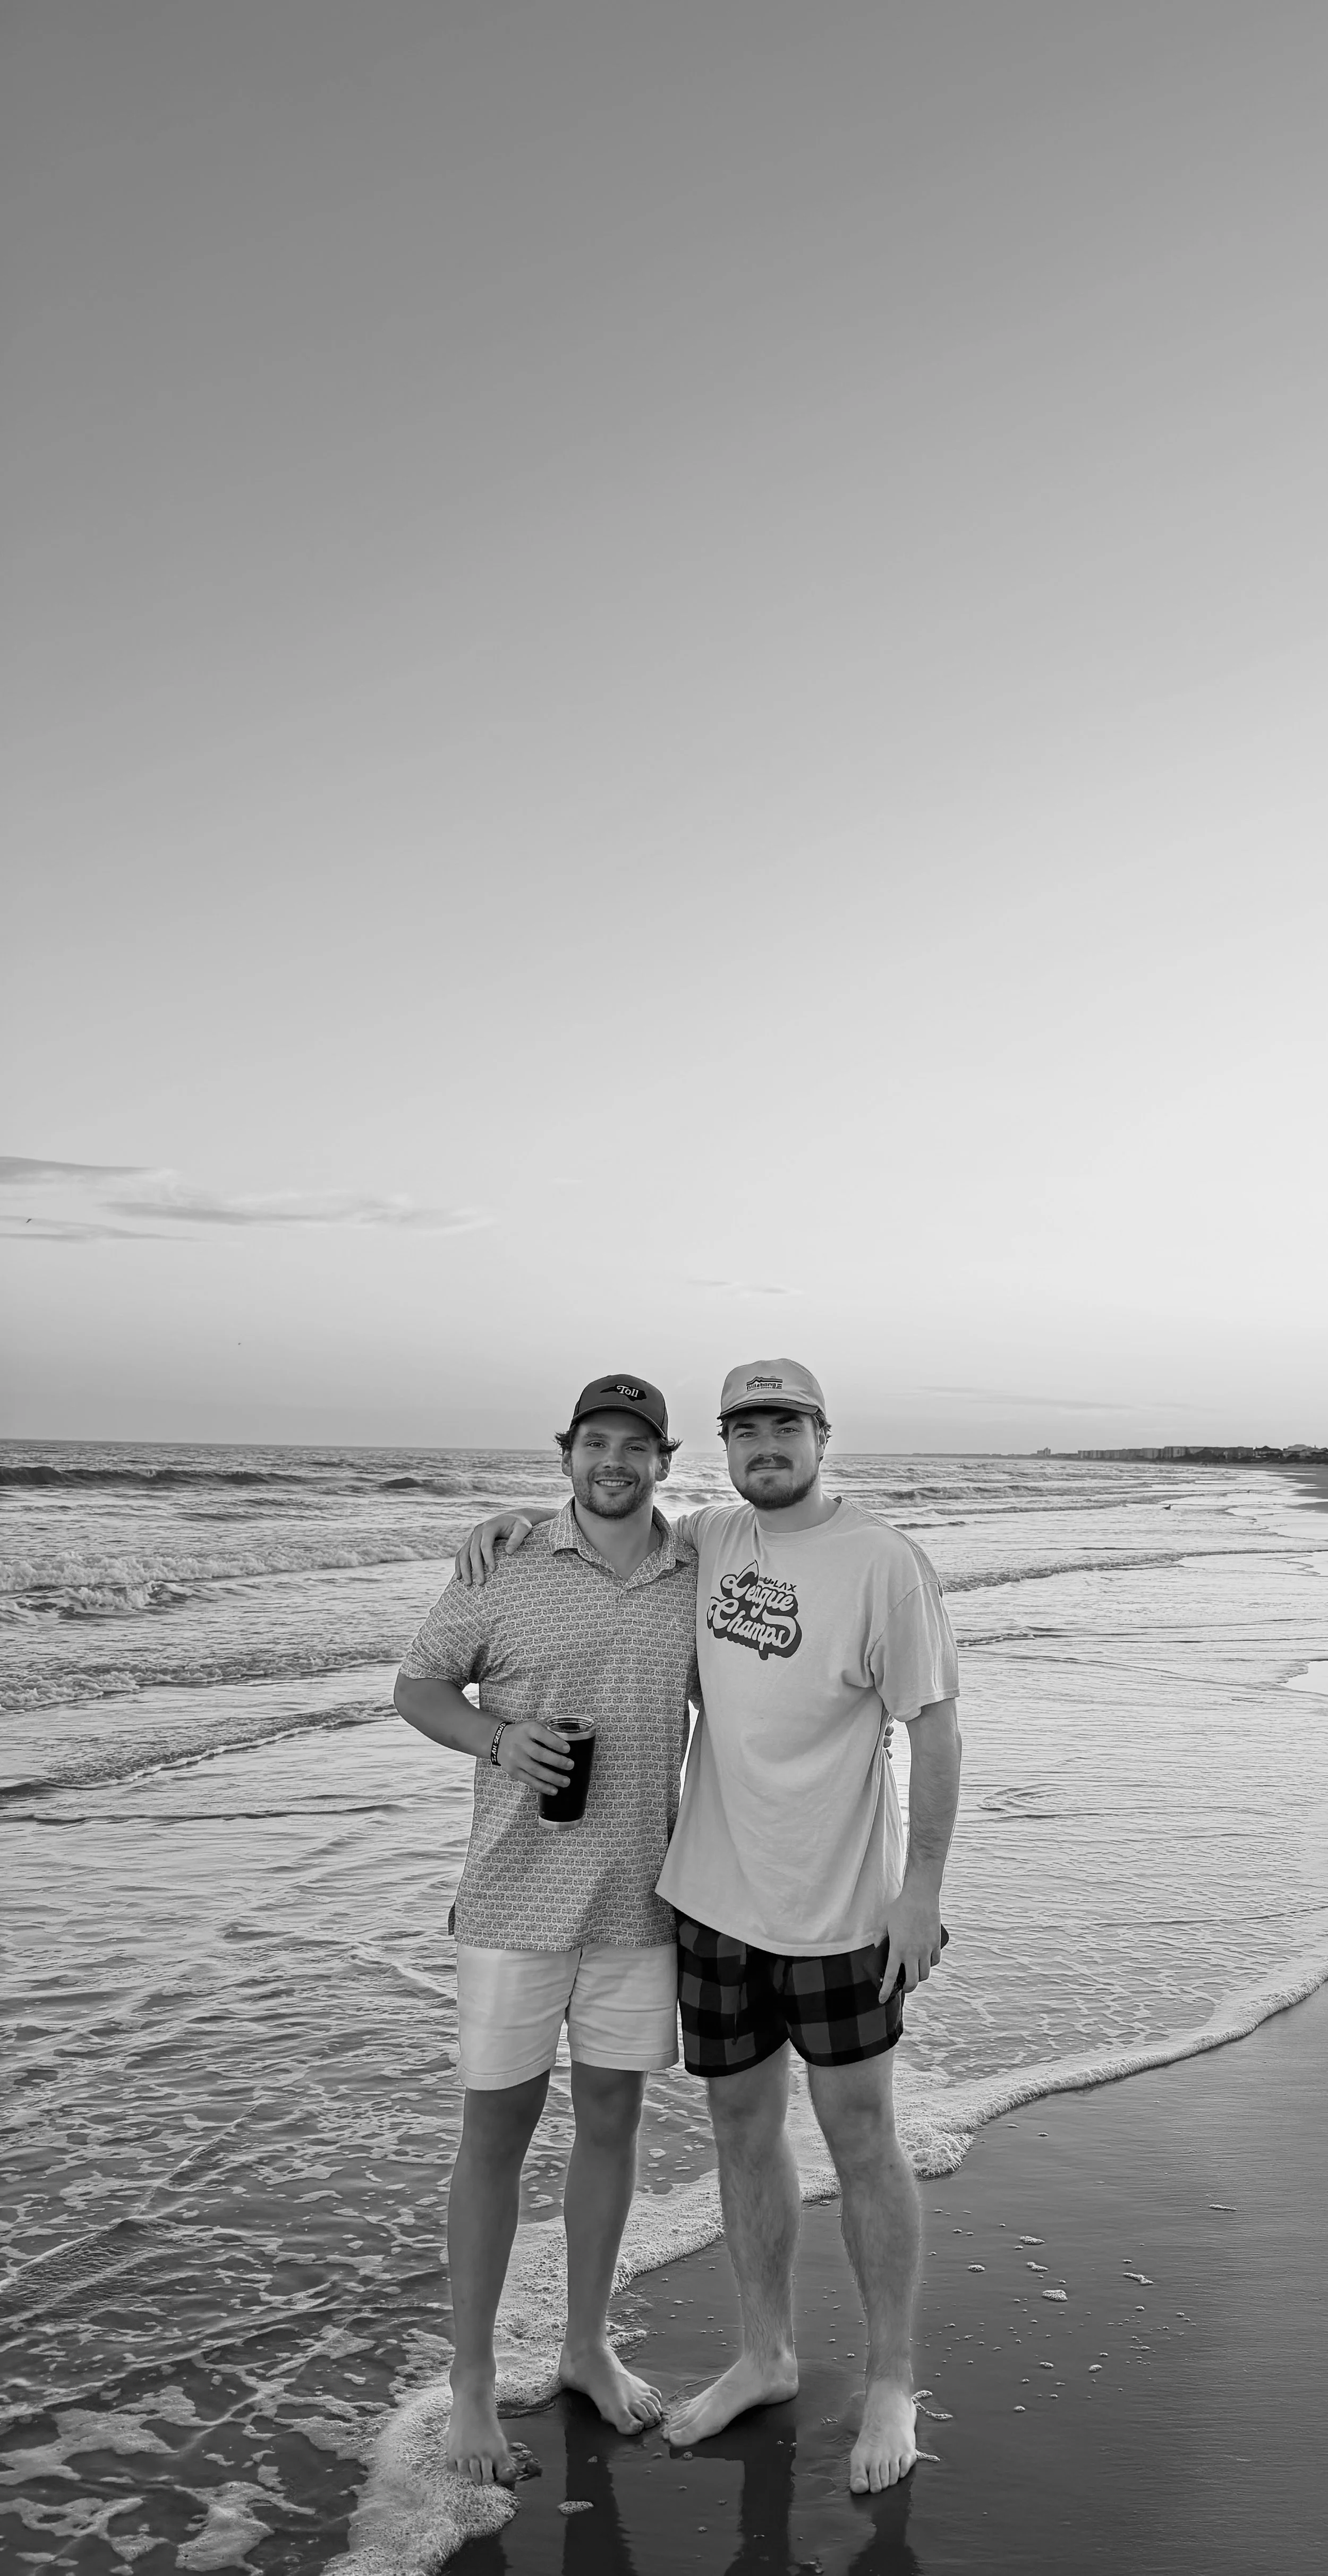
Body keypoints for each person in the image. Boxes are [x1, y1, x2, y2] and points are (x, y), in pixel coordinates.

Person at [455, 1357, 961, 2495]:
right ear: (722, 1447)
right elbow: (606, 1522)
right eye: (746, 1429)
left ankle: (890, 2380)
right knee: (741, 2132)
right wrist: (512, 1525)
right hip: (713, 1906)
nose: (765, 1446)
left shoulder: (884, 1563)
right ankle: (766, 2354)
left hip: (842, 1910)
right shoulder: (709, 1543)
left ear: (822, 1435)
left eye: (785, 1426)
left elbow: (935, 1729)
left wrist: (920, 1892)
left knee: (862, 2137)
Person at [394, 1373, 699, 2486]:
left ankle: (584, 2345)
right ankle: (472, 2384)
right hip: (512, 1902)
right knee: (496, 2135)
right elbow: (419, 1686)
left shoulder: (697, 1568)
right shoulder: (505, 1564)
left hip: (642, 1901)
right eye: (595, 1443)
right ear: (566, 1451)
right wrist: (495, 1738)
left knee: (612, 2123)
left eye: (635, 1445)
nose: (614, 1462)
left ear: (664, 1459)